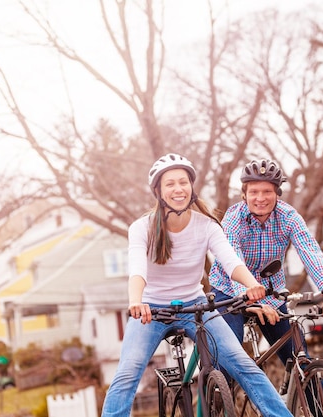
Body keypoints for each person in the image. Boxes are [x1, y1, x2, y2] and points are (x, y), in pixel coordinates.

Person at [101, 153, 293, 417]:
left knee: (243, 365)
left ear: (191, 187)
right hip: (151, 310)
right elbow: (137, 270)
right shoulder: (141, 228)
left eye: (183, 182)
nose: (178, 189)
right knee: (127, 372)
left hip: (197, 306)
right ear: (158, 190)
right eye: (170, 184)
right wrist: (136, 302)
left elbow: (230, 261)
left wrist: (251, 285)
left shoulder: (207, 226)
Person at [208, 158, 323, 369]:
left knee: (301, 362)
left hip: (271, 293)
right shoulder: (233, 219)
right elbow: (233, 261)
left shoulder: (288, 216)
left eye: (267, 192)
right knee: (230, 357)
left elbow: (310, 253)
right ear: (244, 194)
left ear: (277, 193)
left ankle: (315, 398)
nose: (260, 198)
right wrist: (250, 299)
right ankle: (219, 394)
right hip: (230, 292)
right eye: (254, 192)